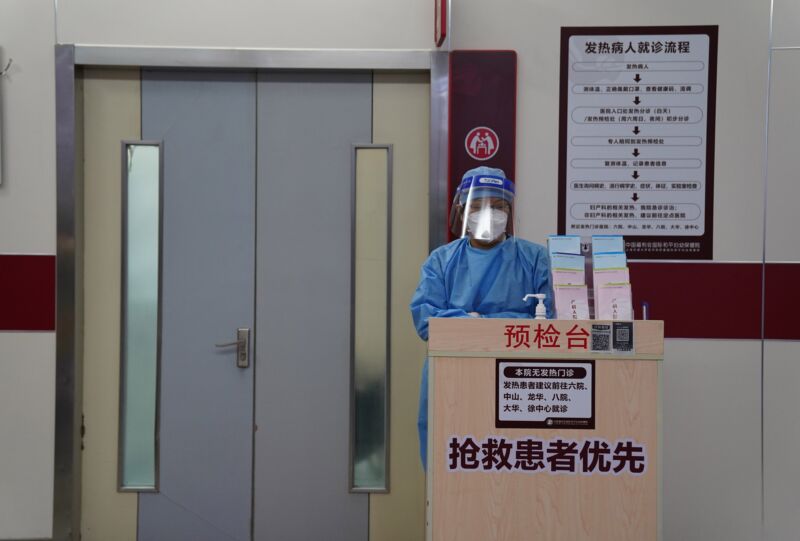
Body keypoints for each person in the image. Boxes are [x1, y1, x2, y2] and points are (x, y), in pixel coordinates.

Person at [409, 166, 553, 469]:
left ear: (509, 211)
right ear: (461, 212)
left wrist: (472, 320)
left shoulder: (535, 258)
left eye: (497, 207)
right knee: (454, 460)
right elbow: (427, 321)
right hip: (453, 377)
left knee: (514, 458)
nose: (488, 214)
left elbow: (549, 322)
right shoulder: (441, 260)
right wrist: (508, 321)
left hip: (519, 381)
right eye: (477, 206)